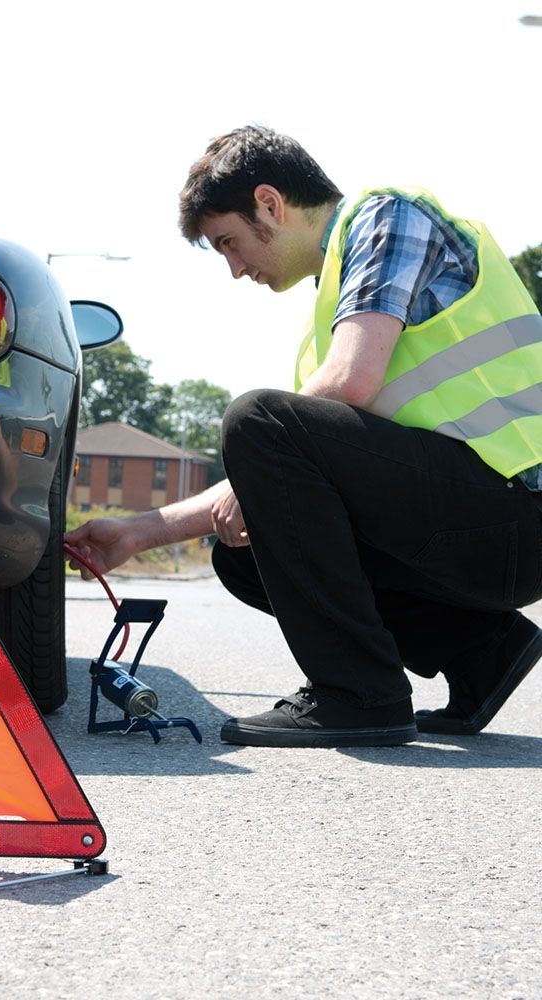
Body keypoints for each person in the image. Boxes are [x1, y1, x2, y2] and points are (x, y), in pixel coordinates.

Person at [65, 125, 542, 748]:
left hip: (516, 512)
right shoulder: (332, 317)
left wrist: (251, 472)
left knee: (257, 419)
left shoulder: (390, 216)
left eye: (230, 243)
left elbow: (348, 383)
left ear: (270, 203)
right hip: (471, 528)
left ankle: (360, 694)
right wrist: (136, 532)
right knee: (242, 556)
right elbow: (286, 472)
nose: (236, 270)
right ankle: (482, 648)